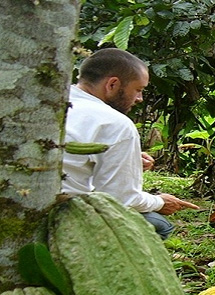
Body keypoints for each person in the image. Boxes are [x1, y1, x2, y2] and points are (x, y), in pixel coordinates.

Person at [62, 48, 198, 239]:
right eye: (138, 90)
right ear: (113, 84)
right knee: (159, 225)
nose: (140, 99)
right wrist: (160, 202)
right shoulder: (115, 123)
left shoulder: (56, 102)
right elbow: (121, 200)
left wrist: (130, 159)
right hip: (64, 215)